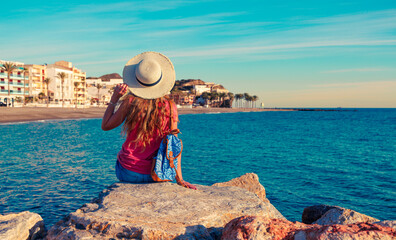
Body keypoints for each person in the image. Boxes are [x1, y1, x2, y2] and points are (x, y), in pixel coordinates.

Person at [101, 52, 197, 190]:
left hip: (129, 172)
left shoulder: (130, 101)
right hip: (158, 174)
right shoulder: (170, 107)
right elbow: (174, 145)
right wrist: (179, 179)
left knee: (121, 155)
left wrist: (114, 98)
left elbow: (105, 126)